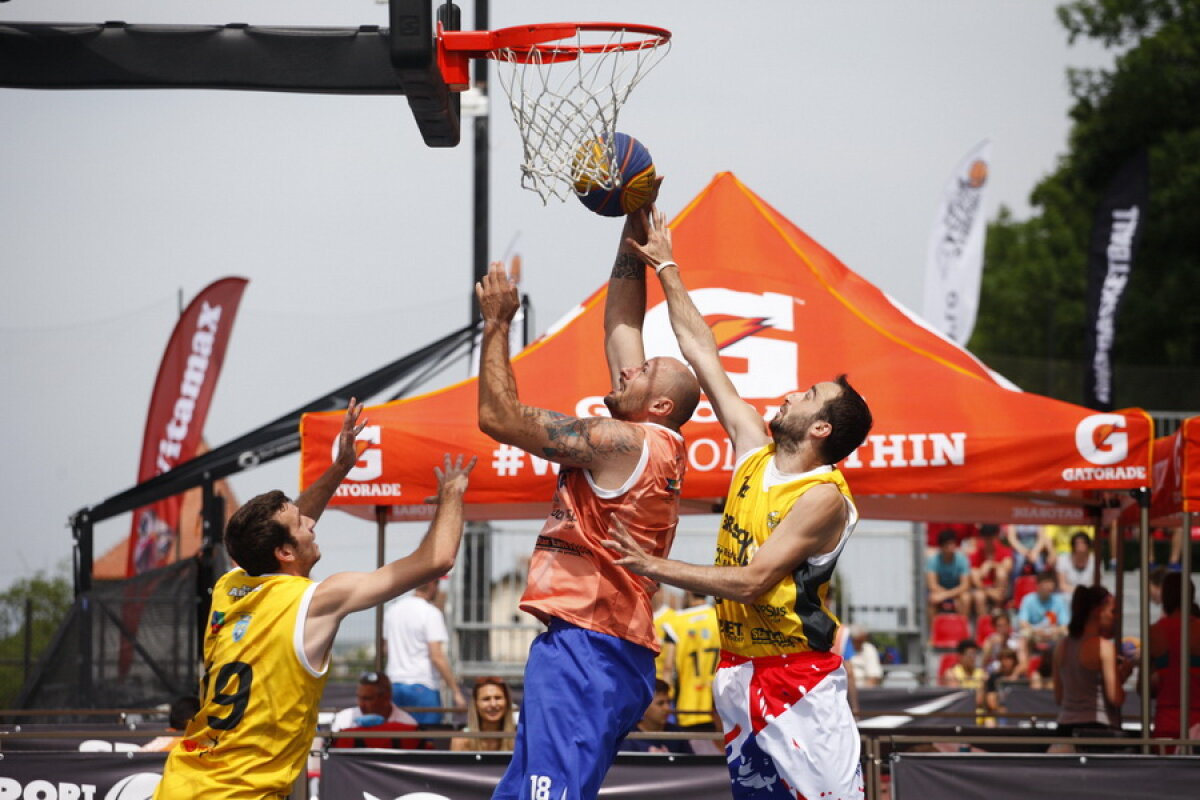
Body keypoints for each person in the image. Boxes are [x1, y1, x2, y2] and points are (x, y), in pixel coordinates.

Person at [603, 205, 873, 800]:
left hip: (798, 678)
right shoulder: (754, 446)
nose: (791, 394)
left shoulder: (823, 497)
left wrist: (652, 565)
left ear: (822, 429)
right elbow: (702, 351)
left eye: (807, 395)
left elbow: (752, 583)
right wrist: (667, 265)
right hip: (736, 670)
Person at [476, 205, 703, 800]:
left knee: (548, 792)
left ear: (659, 405)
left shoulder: (623, 442)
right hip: (603, 643)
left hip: (590, 642)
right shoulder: (656, 443)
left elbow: (498, 417)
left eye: (642, 372)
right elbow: (622, 323)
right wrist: (632, 222)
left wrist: (497, 325)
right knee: (526, 789)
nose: (628, 371)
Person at [154, 401, 476, 799]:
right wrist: (453, 495)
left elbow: (278, 532)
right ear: (284, 552)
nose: (311, 523)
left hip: (182, 783)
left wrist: (341, 467)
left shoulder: (229, 585)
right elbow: (437, 559)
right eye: (301, 524)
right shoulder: (315, 601)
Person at [1052, 585, 1134, 745]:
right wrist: (1123, 676)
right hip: (1097, 729)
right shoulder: (1104, 648)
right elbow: (1116, 698)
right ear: (1098, 611)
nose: (1116, 617)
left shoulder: (1061, 646)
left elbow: (1059, 698)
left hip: (1064, 728)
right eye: (1113, 611)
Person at [383, 579, 466, 724]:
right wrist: (456, 691)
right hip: (423, 684)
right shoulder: (430, 612)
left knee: (397, 734)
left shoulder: (392, 611)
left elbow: (386, 649)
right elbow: (437, 656)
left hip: (393, 684)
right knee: (427, 735)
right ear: (432, 585)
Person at [1148, 572, 1200, 745]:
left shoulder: (1154, 632)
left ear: (1165, 597)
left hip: (1166, 720)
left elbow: (1144, 687)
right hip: (1197, 721)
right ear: (1191, 597)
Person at [663, 589, 720, 732]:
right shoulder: (719, 617)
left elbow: (668, 667)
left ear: (688, 592)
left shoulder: (675, 621)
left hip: (687, 704)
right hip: (718, 704)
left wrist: (665, 700)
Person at [618, 679, 693, 754]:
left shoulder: (677, 734)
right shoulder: (627, 736)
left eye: (668, 702)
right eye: (660, 703)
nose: (667, 708)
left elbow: (691, 760)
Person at [451, 677, 517, 752]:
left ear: (507, 702)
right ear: (476, 704)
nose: (493, 704)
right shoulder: (460, 740)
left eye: (498, 698)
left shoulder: (519, 740)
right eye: (486, 699)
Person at [1017, 570, 1070, 661]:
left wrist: (1056, 631)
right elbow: (1023, 623)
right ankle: (1024, 665)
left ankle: (1062, 664)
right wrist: (1035, 631)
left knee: (1067, 635)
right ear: (1038, 585)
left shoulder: (1059, 600)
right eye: (1046, 583)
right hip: (1034, 633)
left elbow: (1065, 624)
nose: (1050, 586)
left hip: (1053, 633)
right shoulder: (1028, 599)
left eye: (1051, 583)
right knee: (1023, 638)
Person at [926, 528, 972, 618]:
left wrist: (946, 595)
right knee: (932, 599)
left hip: (957, 593)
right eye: (948, 544)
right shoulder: (933, 560)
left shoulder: (962, 559)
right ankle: (933, 626)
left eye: (953, 544)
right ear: (941, 546)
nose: (951, 547)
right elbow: (932, 585)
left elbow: (965, 585)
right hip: (940, 591)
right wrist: (946, 595)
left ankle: (963, 624)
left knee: (966, 598)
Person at [969, 524, 1012, 617]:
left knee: (1001, 573)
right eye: (986, 538)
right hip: (984, 589)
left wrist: (991, 564)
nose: (988, 541)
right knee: (979, 596)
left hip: (1000, 589)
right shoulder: (976, 553)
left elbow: (1008, 566)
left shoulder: (1004, 550)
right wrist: (989, 592)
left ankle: (998, 610)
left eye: (991, 538)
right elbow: (973, 577)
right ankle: (983, 622)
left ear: (996, 537)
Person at [847, 623, 883, 689]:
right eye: (857, 640)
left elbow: (874, 676)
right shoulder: (843, 649)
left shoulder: (869, 649)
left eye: (862, 639)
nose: (861, 642)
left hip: (864, 690)